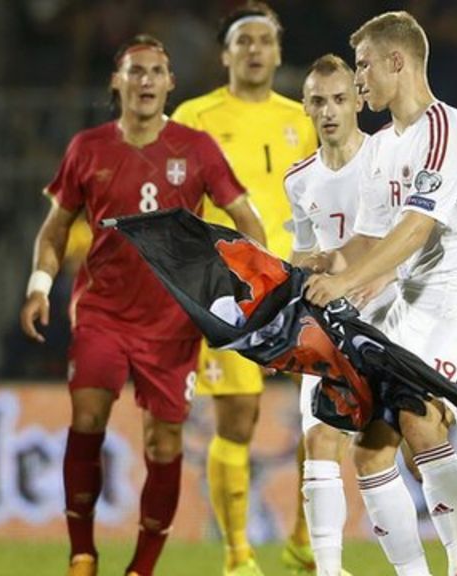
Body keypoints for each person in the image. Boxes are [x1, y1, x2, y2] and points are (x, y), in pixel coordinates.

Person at [19, 34, 266, 576]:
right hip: (102, 312)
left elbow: (248, 221)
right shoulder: (88, 148)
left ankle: (142, 567)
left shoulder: (197, 148)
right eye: (136, 71)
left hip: (173, 320)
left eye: (157, 71)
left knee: (164, 438)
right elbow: (54, 230)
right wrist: (40, 284)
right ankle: (82, 553)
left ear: (170, 84)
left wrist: (245, 289)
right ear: (118, 83)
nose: (146, 80)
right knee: (88, 415)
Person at [305, 11, 457, 576]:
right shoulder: (381, 148)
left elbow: (416, 227)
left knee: (419, 416)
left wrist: (343, 282)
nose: (358, 76)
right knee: (369, 449)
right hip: (410, 300)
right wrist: (314, 273)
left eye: (364, 64)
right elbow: (368, 241)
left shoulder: (447, 129)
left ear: (398, 61)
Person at [171, 3, 317, 574]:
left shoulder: (303, 117)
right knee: (237, 419)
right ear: (226, 54)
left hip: (297, 285)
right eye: (244, 41)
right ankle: (238, 556)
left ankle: (306, 541)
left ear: (279, 52)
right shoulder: (195, 116)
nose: (255, 49)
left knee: (321, 415)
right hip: (226, 288)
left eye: (264, 40)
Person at [286, 53, 397, 576]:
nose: (329, 111)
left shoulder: (387, 157)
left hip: (394, 317)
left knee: (414, 449)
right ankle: (329, 569)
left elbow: (411, 238)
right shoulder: (299, 180)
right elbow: (302, 253)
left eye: (338, 99)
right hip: (331, 327)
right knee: (318, 439)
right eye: (317, 101)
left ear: (357, 100)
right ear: (305, 108)